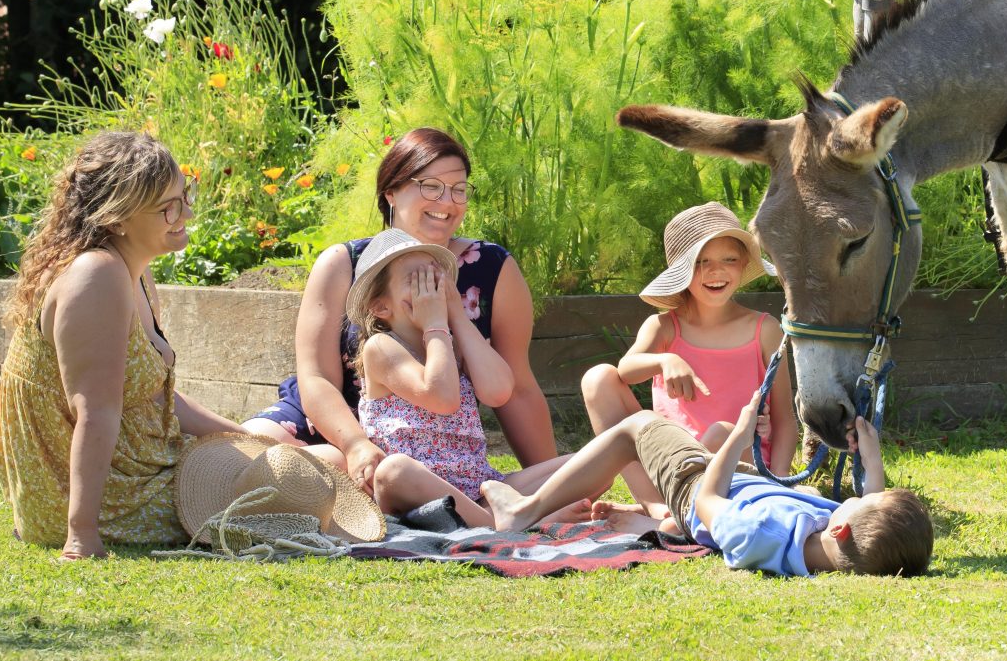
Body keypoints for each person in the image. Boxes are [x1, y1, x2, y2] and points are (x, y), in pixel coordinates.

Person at [239, 128, 558, 497]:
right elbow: (317, 378)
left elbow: (516, 387)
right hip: (335, 420)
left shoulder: (491, 267)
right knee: (249, 452)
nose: (448, 201)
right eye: (431, 186)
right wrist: (356, 444)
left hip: (421, 437)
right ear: (391, 192)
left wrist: (551, 484)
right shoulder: (345, 263)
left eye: (459, 189)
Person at [0, 132, 245, 559]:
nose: (186, 212)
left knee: (277, 449)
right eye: (168, 206)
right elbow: (94, 413)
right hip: (111, 496)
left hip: (138, 467)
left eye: (184, 194)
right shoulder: (97, 276)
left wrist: (243, 436)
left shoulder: (134, 271)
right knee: (297, 483)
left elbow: (152, 396)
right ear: (118, 217)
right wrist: (81, 534)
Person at [481, 392, 934, 577]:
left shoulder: (762, 533)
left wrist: (736, 441)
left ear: (844, 530)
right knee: (712, 433)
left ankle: (524, 511)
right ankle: (654, 517)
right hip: (743, 486)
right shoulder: (824, 543)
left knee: (636, 427)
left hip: (696, 489)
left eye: (857, 502)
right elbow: (871, 502)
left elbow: (708, 501)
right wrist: (869, 452)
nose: (854, 497)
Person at [337, 229, 584, 525]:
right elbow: (442, 397)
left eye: (434, 278)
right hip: (416, 489)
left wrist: (456, 315)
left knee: (582, 465)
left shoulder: (451, 343)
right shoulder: (381, 347)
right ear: (380, 306)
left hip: (476, 485)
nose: (428, 289)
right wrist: (436, 325)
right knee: (394, 470)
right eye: (415, 280)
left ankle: (508, 515)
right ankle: (504, 523)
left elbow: (498, 392)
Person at [579, 201, 796, 527]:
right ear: (682, 269)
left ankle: (679, 515)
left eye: (729, 260)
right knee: (599, 379)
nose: (716, 270)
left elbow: (786, 421)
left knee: (722, 433)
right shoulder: (664, 327)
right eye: (701, 261)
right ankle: (658, 509)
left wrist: (779, 483)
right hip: (671, 467)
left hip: (738, 467)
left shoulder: (765, 330)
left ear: (744, 264)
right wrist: (665, 359)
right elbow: (626, 370)